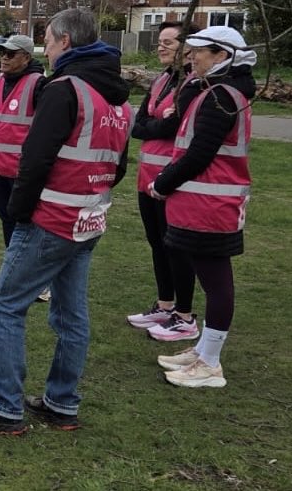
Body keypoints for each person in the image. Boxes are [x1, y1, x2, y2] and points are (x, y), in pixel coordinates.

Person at [0, 8, 132, 435]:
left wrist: (20, 211)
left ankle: (3, 405)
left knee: (5, 304)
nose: (45, 50)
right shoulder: (118, 100)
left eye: (47, 41)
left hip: (51, 217)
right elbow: (118, 165)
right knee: (70, 313)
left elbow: (35, 157)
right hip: (89, 218)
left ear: (65, 41)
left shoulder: (63, 89)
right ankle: (61, 402)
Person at [151, 26, 256, 389]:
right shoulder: (212, 90)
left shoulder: (221, 96)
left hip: (212, 204)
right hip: (201, 202)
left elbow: (200, 153)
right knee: (208, 275)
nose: (191, 56)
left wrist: (163, 183)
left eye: (199, 52)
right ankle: (202, 350)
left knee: (216, 280)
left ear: (222, 56)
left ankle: (210, 361)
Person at [127, 21, 201, 342]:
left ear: (188, 47)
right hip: (147, 177)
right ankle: (165, 303)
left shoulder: (194, 84)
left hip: (171, 179)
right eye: (160, 41)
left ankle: (184, 313)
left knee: (175, 246)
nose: (161, 47)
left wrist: (156, 124)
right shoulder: (161, 79)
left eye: (168, 42)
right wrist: (159, 121)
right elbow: (138, 125)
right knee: (156, 243)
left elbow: (175, 127)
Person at [0, 34, 46, 288]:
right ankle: (12, 272)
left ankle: (38, 281)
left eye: (11, 54)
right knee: (7, 220)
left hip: (24, 172)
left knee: (29, 226)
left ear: (26, 57)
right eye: (2, 53)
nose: (4, 58)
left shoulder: (39, 84)